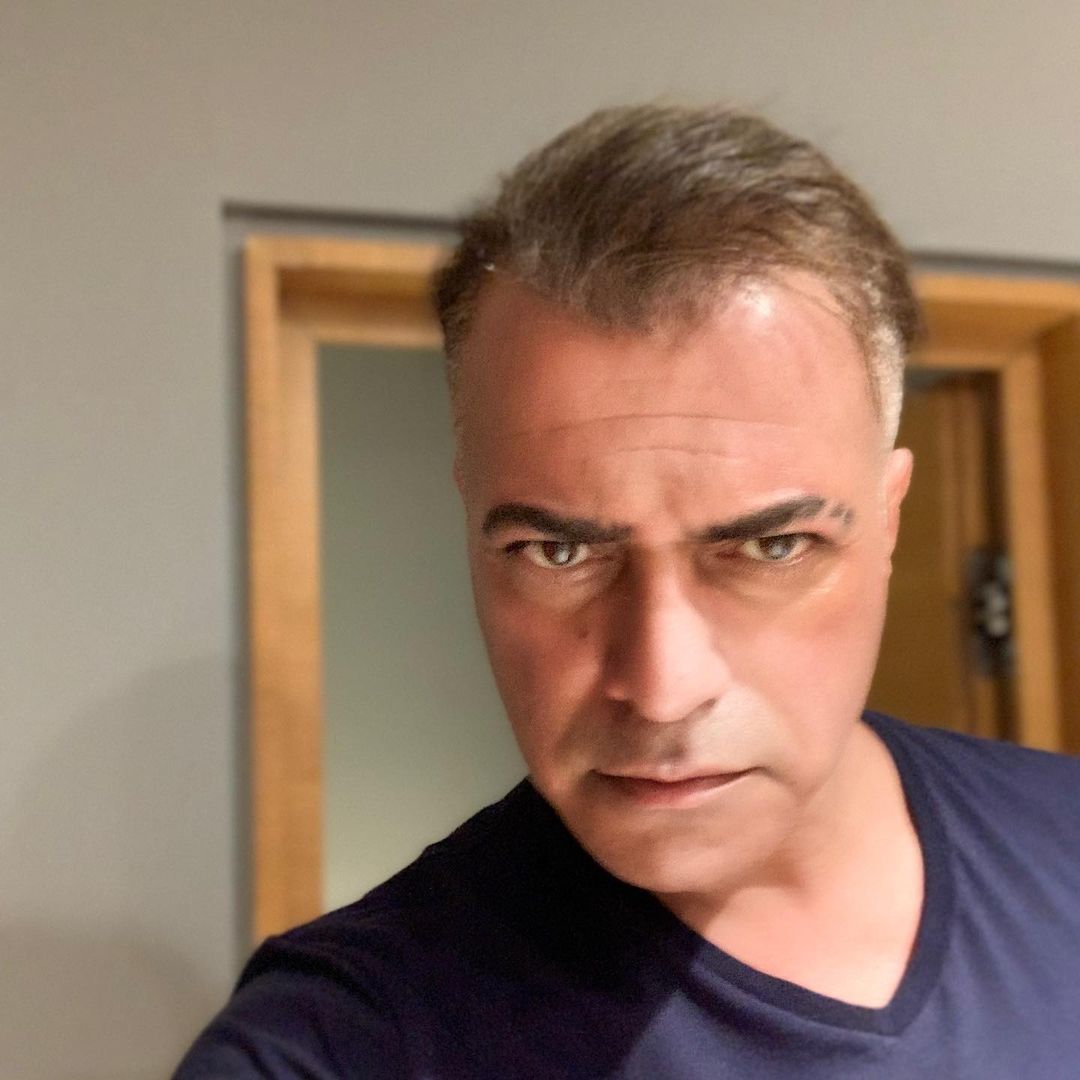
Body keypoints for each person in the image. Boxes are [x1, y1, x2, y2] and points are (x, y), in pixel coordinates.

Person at [175, 104, 1080, 1078]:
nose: (661, 687)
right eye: (558, 552)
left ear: (889, 520)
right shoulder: (333, 1049)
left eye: (772, 545)